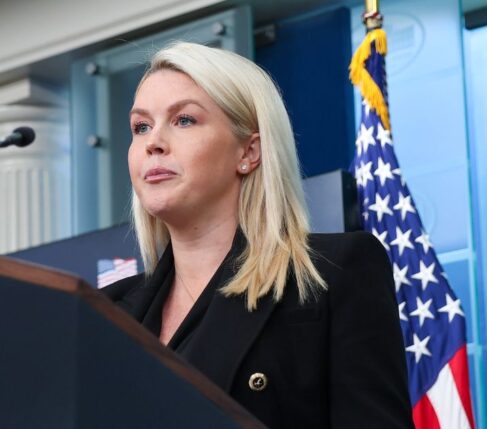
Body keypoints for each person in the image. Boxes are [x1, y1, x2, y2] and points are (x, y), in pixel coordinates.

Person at [101, 42, 413, 428]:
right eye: (141, 126)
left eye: (184, 120)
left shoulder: (334, 273)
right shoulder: (108, 312)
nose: (153, 143)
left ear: (249, 151)